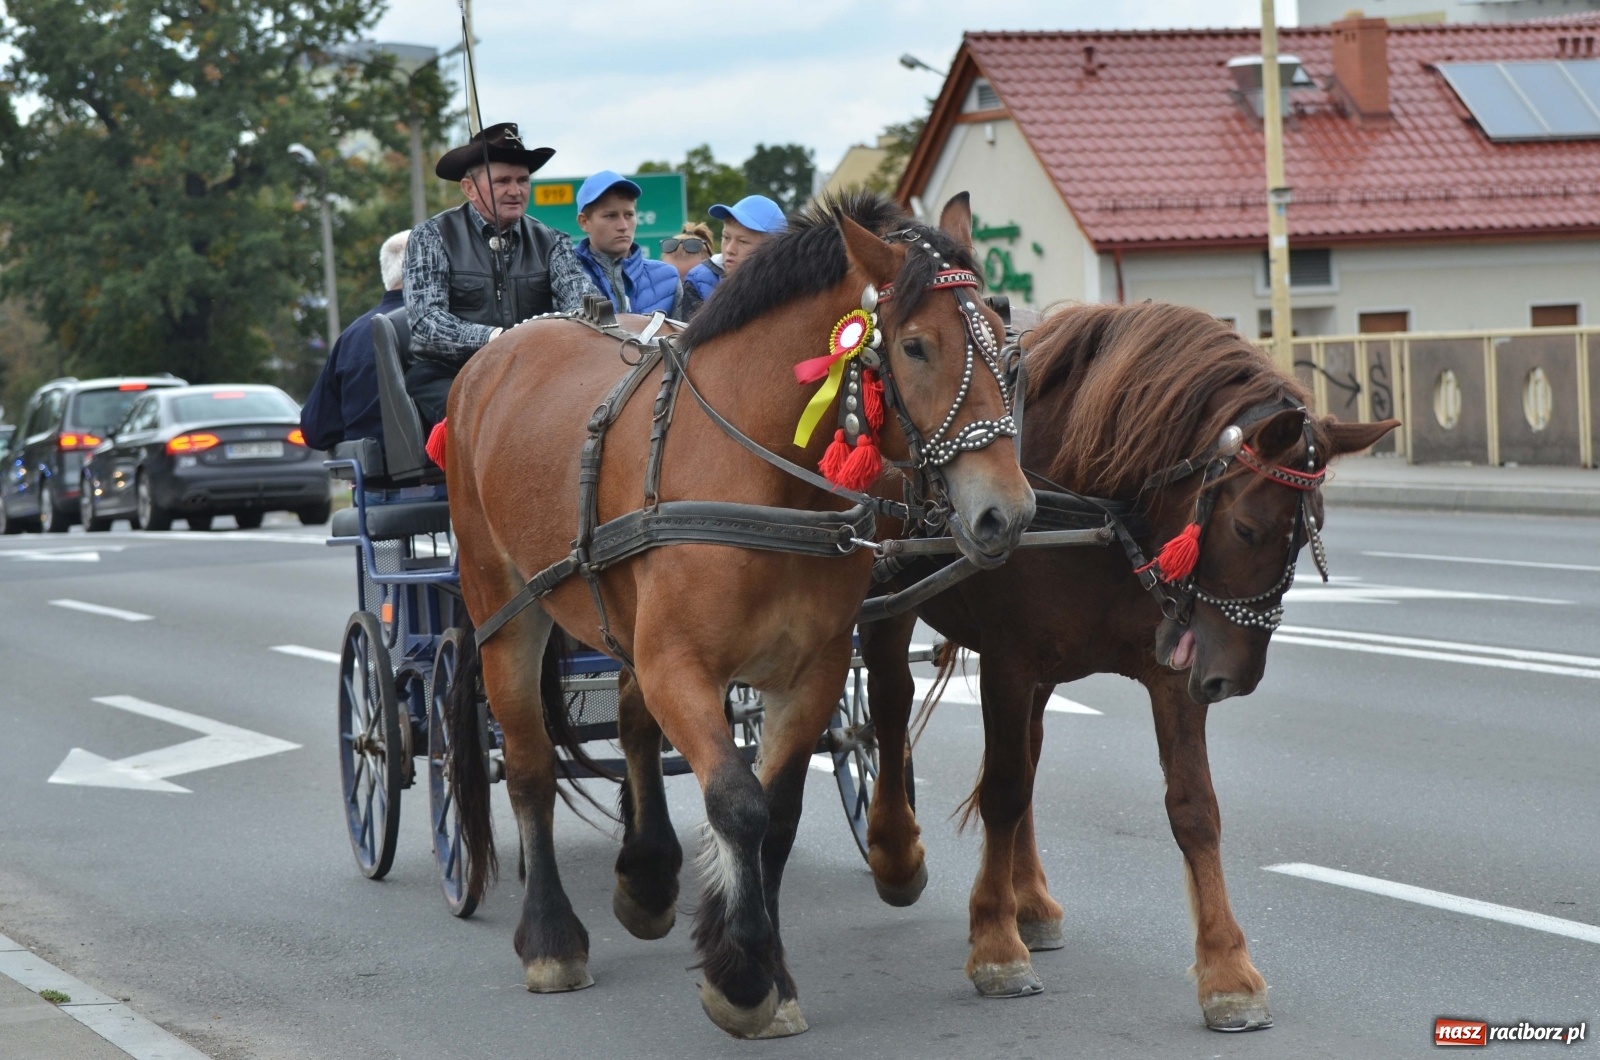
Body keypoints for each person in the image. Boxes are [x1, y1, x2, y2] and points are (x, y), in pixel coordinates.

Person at [403, 122, 599, 427]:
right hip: (451, 373)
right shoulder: (431, 236)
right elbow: (427, 325)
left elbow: (583, 303)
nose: (515, 190)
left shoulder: (553, 241)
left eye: (523, 180)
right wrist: (497, 338)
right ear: (469, 188)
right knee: (490, 417)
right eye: (502, 181)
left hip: (534, 370)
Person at [299, 231, 410, 450]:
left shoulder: (349, 339)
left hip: (371, 481)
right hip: (444, 474)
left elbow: (315, 431)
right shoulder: (448, 325)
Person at [570, 170, 682, 316]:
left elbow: (682, 338)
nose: (623, 226)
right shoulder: (564, 277)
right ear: (584, 222)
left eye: (629, 215)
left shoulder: (668, 278)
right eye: (610, 216)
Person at [680, 194, 785, 318]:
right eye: (726, 237)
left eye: (743, 241)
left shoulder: (793, 288)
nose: (729, 249)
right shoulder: (699, 280)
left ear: (771, 250)